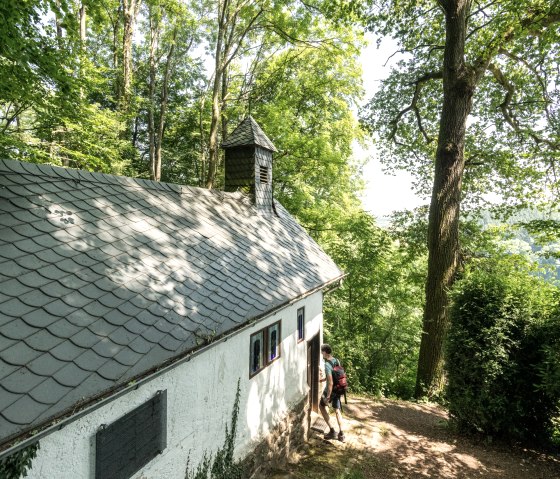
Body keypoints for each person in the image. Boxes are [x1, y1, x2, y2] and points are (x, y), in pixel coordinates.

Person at [319, 343, 345, 442]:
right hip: (338, 389)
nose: (321, 353)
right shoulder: (336, 360)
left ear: (325, 352)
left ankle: (332, 431)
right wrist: (323, 379)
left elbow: (330, 383)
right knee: (337, 410)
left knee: (321, 406)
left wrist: (328, 397)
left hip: (331, 391)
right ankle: (342, 434)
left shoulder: (327, 364)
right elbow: (336, 374)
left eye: (322, 352)